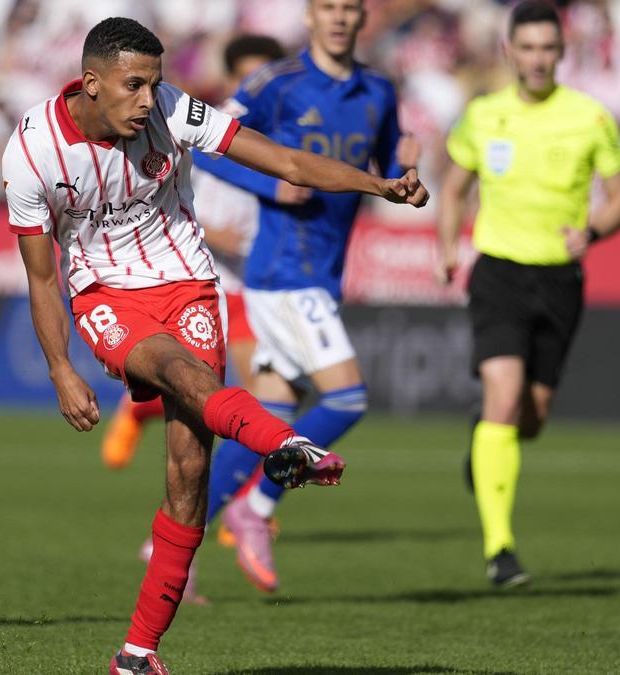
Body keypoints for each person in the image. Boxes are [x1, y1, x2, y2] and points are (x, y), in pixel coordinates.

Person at [1, 17, 427, 673]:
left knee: (190, 473)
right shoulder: (30, 152)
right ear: (91, 83)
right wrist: (61, 367)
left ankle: (138, 654)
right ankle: (280, 443)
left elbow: (283, 160)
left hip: (189, 284)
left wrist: (380, 185)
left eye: (155, 84)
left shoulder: (172, 111)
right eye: (134, 86)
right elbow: (40, 274)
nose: (149, 100)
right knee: (174, 368)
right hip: (108, 296)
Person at [187, 0, 419, 594]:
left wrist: (406, 172)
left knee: (273, 418)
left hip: (326, 269)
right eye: (328, 7)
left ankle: (168, 545)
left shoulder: (378, 89)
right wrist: (271, 180)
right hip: (285, 270)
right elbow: (205, 143)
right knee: (346, 400)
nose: (339, 18)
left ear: (362, 17)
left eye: (349, 8)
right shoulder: (275, 82)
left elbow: (390, 160)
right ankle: (257, 508)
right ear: (311, 17)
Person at [436, 0, 620, 587]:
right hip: (497, 270)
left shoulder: (591, 118)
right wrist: (448, 247)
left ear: (562, 52)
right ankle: (501, 550)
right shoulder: (483, 115)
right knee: (503, 391)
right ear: (509, 52)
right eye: (527, 48)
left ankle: (487, 444)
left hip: (559, 279)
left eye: (548, 48)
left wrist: (593, 230)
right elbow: (452, 190)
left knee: (531, 416)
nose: (538, 59)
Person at [99, 35, 286, 473]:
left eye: (264, 77)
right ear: (231, 78)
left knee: (247, 398)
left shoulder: (281, 138)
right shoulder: (204, 129)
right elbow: (162, 202)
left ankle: (236, 500)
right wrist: (213, 233)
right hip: (207, 278)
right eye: (246, 76)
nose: (254, 86)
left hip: (260, 279)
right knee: (229, 395)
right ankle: (237, 503)